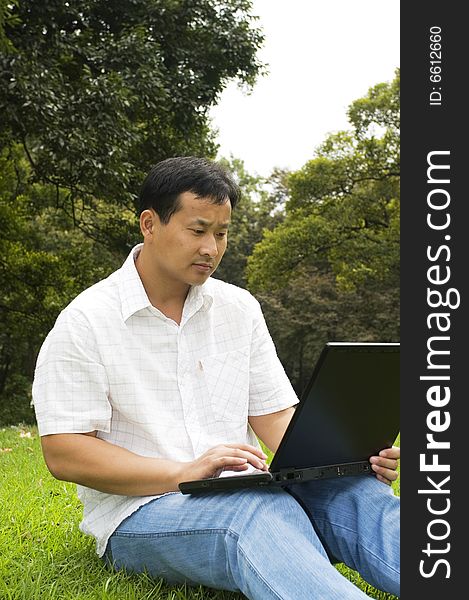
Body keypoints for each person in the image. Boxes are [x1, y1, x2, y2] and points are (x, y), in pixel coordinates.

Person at [32, 156, 400, 599]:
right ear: (150, 224)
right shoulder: (86, 320)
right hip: (142, 512)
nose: (212, 247)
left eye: (222, 234)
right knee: (252, 514)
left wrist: (346, 459)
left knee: (358, 496)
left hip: (251, 492)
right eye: (198, 230)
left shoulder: (238, 308)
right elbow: (65, 453)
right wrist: (184, 473)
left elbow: (275, 417)